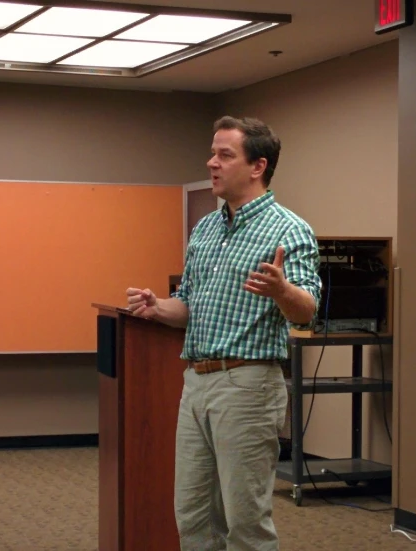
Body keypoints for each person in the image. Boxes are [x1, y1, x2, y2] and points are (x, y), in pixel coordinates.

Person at [126, 116, 321, 551]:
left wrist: (281, 289)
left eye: (224, 155)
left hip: (247, 386)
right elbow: (189, 306)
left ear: (258, 166)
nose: (211, 163)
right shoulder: (207, 229)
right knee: (193, 516)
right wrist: (159, 307)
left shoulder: (288, 229)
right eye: (213, 153)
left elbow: (306, 311)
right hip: (195, 383)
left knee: (245, 522)